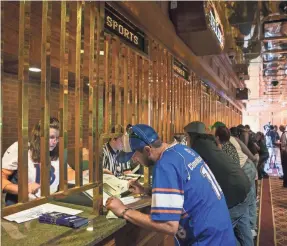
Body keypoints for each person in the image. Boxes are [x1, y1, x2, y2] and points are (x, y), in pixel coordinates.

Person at [106, 124, 236, 246]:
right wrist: (146, 190)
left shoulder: (165, 165)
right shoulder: (182, 150)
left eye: (134, 155)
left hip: (207, 239)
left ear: (147, 150)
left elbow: (168, 225)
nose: (134, 160)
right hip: (221, 232)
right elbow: (183, 190)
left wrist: (124, 211)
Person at [185, 122, 253, 245]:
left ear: (191, 135)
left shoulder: (197, 147)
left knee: (221, 235)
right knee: (243, 231)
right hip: (244, 185)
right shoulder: (209, 143)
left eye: (186, 137)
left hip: (234, 193)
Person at [1, 117, 75, 206]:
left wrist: (84, 175)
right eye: (51, 137)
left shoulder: (56, 152)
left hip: (47, 204)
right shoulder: (21, 148)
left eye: (57, 138)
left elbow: (68, 172)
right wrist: (22, 189)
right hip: (21, 205)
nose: (55, 142)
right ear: (39, 135)